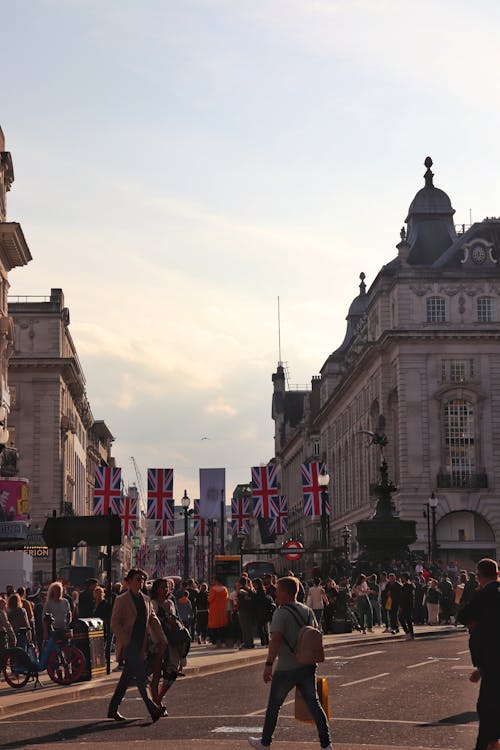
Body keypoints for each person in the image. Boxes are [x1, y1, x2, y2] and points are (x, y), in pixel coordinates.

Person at [248, 576, 331, 750]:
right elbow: (316, 633)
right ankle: (326, 744)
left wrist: (269, 664)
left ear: (286, 593)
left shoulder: (281, 613)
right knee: (314, 704)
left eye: (278, 590)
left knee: (274, 706)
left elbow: (276, 640)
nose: (275, 593)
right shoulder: (306, 610)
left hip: (286, 667)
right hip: (307, 665)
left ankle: (265, 742)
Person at [107, 568, 166, 722]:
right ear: (129, 581)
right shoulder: (122, 599)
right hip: (129, 644)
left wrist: (162, 638)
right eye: (137, 579)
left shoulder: (146, 600)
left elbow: (153, 620)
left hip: (141, 644)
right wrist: (125, 640)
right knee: (141, 678)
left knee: (126, 678)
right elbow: (114, 622)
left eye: (142, 579)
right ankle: (153, 709)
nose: (141, 582)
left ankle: (113, 708)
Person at [457, 558, 500, 750]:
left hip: (491, 657)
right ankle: (492, 740)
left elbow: (463, 616)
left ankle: (487, 743)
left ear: (479, 576)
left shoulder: (484, 595)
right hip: (492, 659)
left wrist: (476, 623)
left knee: (486, 705)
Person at [208, 577, 229, 648]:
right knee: (222, 625)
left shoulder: (213, 589)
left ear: (216, 581)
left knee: (215, 626)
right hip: (222, 610)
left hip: (214, 610)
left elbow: (210, 599)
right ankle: (222, 640)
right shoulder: (225, 589)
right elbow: (227, 599)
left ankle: (216, 641)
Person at [238, 577, 256, 649]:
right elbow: (253, 597)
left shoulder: (241, 590)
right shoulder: (250, 589)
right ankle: (250, 642)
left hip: (243, 610)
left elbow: (240, 598)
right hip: (250, 610)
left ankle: (246, 643)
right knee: (249, 627)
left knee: (244, 627)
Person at [399, 573, 415, 639]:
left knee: (402, 619)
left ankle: (408, 632)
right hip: (410, 605)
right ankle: (411, 634)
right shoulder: (411, 585)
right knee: (408, 620)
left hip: (406, 605)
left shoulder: (406, 586)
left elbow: (404, 597)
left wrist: (401, 606)